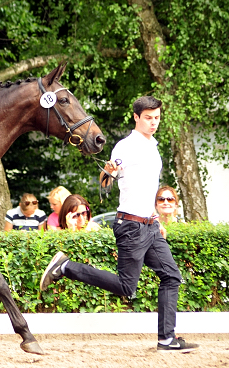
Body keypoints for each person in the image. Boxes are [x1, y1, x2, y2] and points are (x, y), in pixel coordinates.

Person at [40, 96, 198, 353]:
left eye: (157, 117)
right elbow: (106, 179)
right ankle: (66, 267)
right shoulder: (126, 147)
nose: (153, 122)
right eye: (148, 117)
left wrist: (156, 218)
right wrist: (108, 172)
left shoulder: (153, 146)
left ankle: (167, 339)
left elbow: (148, 187)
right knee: (127, 286)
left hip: (149, 225)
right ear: (136, 117)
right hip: (132, 227)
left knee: (171, 276)